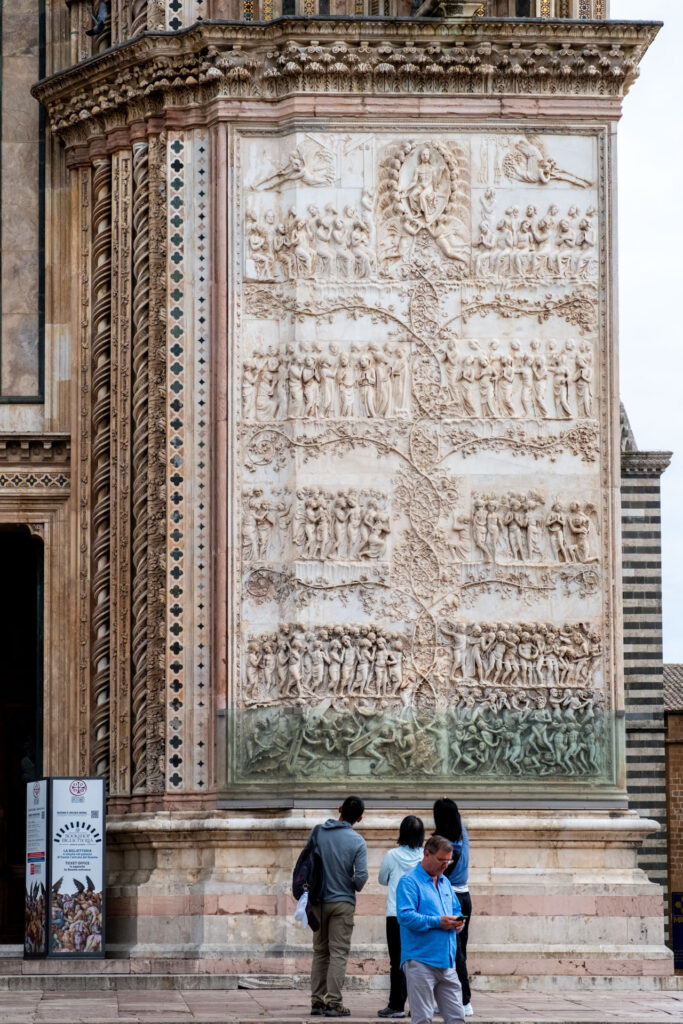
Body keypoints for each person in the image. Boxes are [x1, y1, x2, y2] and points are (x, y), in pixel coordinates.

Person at [396, 834, 466, 1024]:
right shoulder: (409, 881)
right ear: (427, 854)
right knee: (423, 1019)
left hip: (446, 961)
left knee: (457, 1017)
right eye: (441, 860)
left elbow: (456, 910)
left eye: (448, 861)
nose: (445, 865)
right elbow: (405, 916)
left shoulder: (445, 882)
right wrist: (438, 922)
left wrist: (458, 923)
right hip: (420, 961)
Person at [310, 795, 368, 1018]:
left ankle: (316, 1000)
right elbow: (361, 878)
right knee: (338, 953)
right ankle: (333, 1003)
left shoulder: (317, 832)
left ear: (340, 809)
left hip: (317, 902)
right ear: (360, 818)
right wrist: (348, 882)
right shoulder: (357, 841)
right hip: (342, 902)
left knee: (320, 951)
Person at [377, 815, 425, 1018]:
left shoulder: (392, 855)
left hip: (395, 914)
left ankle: (396, 1005)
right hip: (419, 914)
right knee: (419, 961)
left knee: (397, 961)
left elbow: (382, 879)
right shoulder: (425, 856)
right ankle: (419, 1006)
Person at [433, 798, 473, 1017]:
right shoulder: (463, 833)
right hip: (465, 895)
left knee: (454, 952)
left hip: (451, 898)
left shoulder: (443, 843)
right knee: (460, 950)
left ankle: (464, 1000)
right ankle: (455, 998)